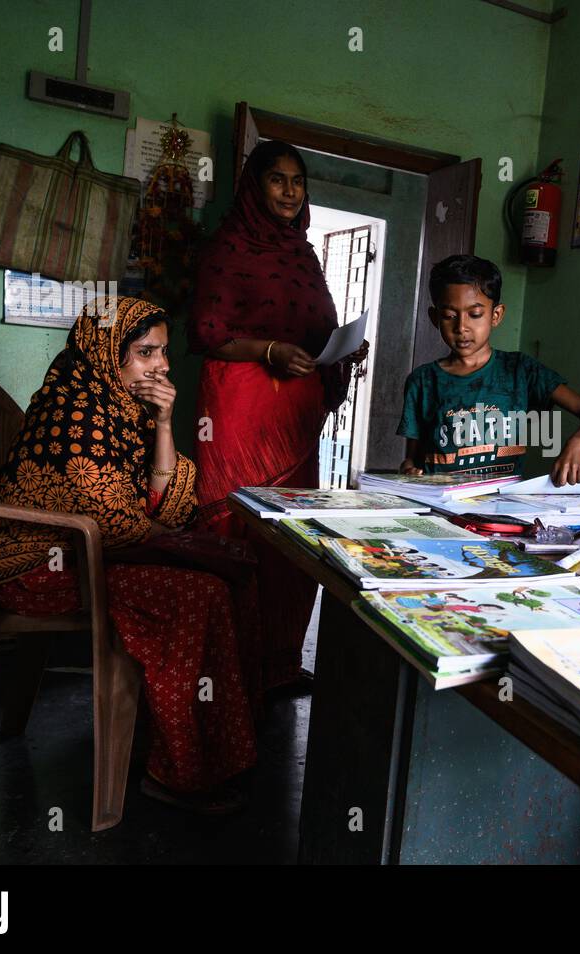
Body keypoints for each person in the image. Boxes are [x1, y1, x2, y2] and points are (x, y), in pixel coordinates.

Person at [0, 297, 257, 815]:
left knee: (213, 584)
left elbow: (168, 509)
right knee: (195, 591)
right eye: (146, 353)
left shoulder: (126, 409)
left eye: (164, 352)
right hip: (37, 566)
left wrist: (165, 425)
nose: (163, 367)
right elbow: (116, 523)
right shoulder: (70, 412)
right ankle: (175, 774)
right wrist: (181, 548)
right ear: (106, 353)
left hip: (95, 556)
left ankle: (207, 759)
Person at [189, 139, 367, 693]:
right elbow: (207, 333)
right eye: (277, 180)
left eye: (298, 181)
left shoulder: (301, 252)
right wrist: (268, 351)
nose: (290, 191)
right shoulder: (229, 246)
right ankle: (224, 668)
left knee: (291, 535)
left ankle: (277, 664)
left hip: (295, 411)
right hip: (242, 402)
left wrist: (340, 350)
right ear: (254, 186)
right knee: (237, 524)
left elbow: (313, 330)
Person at [398, 254, 580, 484]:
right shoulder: (422, 381)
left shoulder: (521, 370)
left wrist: (579, 441)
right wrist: (409, 470)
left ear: (495, 315)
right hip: (439, 504)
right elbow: (411, 460)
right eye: (449, 316)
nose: (462, 327)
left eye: (475, 314)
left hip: (500, 506)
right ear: (435, 317)